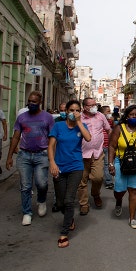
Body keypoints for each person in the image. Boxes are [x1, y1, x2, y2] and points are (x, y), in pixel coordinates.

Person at [6, 91, 55, 226]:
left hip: (42, 155)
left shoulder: (48, 117)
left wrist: (52, 159)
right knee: (25, 186)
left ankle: (41, 200)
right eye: (29, 101)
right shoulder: (22, 117)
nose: (31, 104)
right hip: (24, 155)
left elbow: (53, 138)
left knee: (42, 183)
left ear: (40, 103)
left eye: (34, 102)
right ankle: (27, 212)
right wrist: (9, 156)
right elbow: (16, 136)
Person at [48, 100, 91, 248]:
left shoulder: (82, 126)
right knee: (60, 203)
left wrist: (79, 122)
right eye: (71, 110)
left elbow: (88, 138)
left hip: (75, 167)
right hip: (59, 167)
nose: (74, 113)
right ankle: (69, 218)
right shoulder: (58, 126)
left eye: (77, 110)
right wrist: (52, 163)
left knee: (69, 200)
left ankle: (64, 233)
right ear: (66, 111)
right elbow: (51, 146)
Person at [78, 97, 112, 216]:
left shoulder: (100, 116)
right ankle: (83, 204)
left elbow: (108, 129)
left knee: (98, 177)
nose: (94, 107)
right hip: (81, 154)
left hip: (98, 153)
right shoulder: (79, 118)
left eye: (95, 104)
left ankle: (95, 194)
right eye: (91, 105)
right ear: (84, 107)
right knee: (82, 180)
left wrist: (110, 144)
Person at [101, 105, 115, 189]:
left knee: (107, 163)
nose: (110, 113)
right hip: (99, 146)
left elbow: (113, 130)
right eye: (108, 111)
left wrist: (113, 122)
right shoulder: (98, 120)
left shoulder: (110, 120)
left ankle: (109, 181)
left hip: (108, 145)